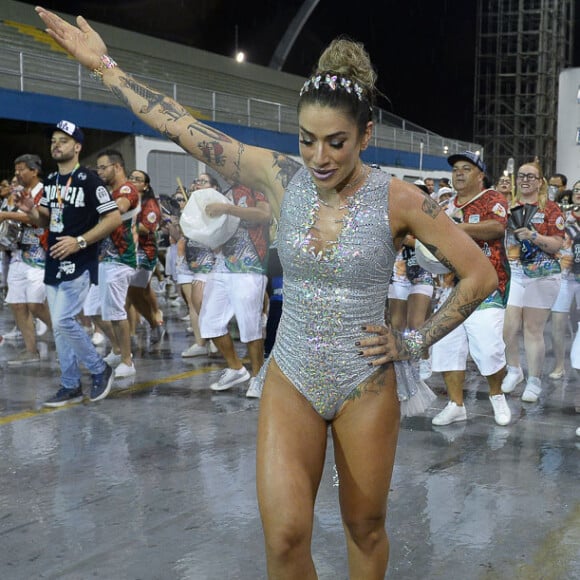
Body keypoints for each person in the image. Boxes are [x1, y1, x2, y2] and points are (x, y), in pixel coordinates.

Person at [36, 10, 497, 575]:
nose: (320, 157)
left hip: (365, 382)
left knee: (365, 527)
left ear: (365, 136)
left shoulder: (398, 199)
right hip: (292, 373)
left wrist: (414, 340)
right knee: (282, 538)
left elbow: (480, 274)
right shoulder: (280, 176)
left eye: (336, 143)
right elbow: (181, 125)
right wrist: (104, 66)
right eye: (307, 141)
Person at [15, 119, 121, 406]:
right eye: (53, 141)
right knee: (60, 327)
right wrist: (31, 212)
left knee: (63, 320)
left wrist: (81, 241)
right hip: (54, 260)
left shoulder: (89, 180)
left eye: (62, 140)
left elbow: (112, 218)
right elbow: (45, 219)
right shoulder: (51, 181)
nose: (56, 145)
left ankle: (100, 369)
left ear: (77, 147)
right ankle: (70, 384)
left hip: (80, 259)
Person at [429, 151, 511, 427]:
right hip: (451, 286)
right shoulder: (445, 205)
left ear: (480, 175)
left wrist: (454, 229)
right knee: (446, 345)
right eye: (455, 170)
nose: (459, 173)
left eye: (466, 168)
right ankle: (455, 404)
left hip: (487, 285)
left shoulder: (493, 199)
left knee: (488, 348)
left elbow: (496, 229)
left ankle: (497, 395)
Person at [199, 181, 271, 397]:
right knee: (209, 323)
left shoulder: (256, 187)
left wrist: (228, 209)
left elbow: (264, 215)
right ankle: (236, 369)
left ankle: (259, 377)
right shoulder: (224, 192)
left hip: (249, 265)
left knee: (250, 325)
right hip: (222, 264)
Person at [501, 161, 565, 402]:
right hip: (515, 273)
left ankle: (535, 380)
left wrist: (534, 236)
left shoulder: (551, 209)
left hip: (543, 273)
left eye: (531, 176)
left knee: (532, 329)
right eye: (521, 175)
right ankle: (514, 370)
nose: (525, 179)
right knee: (508, 327)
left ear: (540, 182)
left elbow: (558, 243)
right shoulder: (508, 207)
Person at [87, 149, 140, 379]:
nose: (100, 172)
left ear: (117, 167)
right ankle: (118, 349)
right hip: (105, 259)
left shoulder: (126, 189)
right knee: (92, 309)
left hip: (120, 259)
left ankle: (128, 362)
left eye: (103, 167)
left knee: (117, 313)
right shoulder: (110, 191)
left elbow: (119, 207)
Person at [0, 154, 52, 365]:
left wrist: (5, 215)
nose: (17, 174)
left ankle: (66, 334)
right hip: (18, 254)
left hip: (40, 256)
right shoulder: (19, 193)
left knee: (35, 304)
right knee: (17, 304)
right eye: (15, 170)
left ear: (34, 171)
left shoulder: (45, 191)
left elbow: (40, 218)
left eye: (21, 169)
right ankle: (31, 351)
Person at [179, 173, 218, 358]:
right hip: (189, 258)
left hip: (208, 259)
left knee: (206, 302)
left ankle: (215, 337)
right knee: (193, 303)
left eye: (203, 181)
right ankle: (200, 342)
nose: (198, 184)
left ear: (214, 188)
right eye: (197, 181)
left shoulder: (217, 205)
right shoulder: (189, 208)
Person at [126, 169, 165, 348]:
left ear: (145, 185)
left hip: (144, 253)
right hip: (125, 251)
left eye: (138, 179)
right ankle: (128, 336)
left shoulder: (150, 204)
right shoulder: (124, 199)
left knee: (134, 293)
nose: (133, 181)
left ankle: (151, 323)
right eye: (131, 178)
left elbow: (148, 227)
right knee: (133, 294)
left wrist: (122, 225)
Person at [547, 180, 580, 379]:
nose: (578, 193)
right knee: (558, 322)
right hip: (565, 277)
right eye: (576, 190)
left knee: (579, 325)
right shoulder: (563, 215)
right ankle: (559, 365)